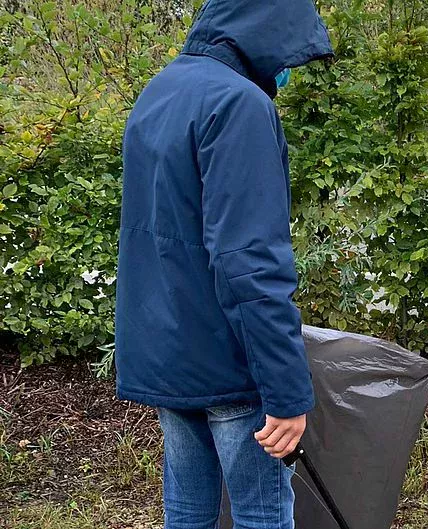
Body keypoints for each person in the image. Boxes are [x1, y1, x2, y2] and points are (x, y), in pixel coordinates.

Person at [115, 1, 332, 527]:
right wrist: (285, 391)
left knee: (187, 510)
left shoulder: (161, 89)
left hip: (169, 352)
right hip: (229, 362)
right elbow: (250, 261)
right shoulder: (239, 104)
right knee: (261, 512)